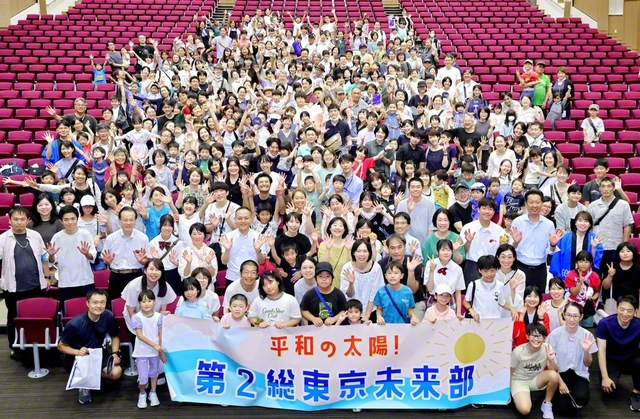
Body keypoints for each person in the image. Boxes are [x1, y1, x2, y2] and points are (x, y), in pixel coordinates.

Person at [0, 207, 50, 357]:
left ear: (28, 220)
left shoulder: (35, 236)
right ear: (9, 221)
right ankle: (15, 347)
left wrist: (47, 277)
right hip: (13, 288)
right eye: (15, 219)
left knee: (36, 317)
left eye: (22, 219)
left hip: (36, 285)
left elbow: (44, 257)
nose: (19, 222)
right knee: (13, 318)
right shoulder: (3, 238)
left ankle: (37, 346)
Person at [57, 289, 122, 404]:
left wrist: (115, 353)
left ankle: (91, 376)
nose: (99, 306)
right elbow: (61, 346)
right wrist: (77, 352)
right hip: (78, 357)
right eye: (95, 302)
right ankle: (84, 384)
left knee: (116, 372)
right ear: (87, 303)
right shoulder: (74, 324)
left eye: (102, 302)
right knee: (85, 367)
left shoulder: (108, 316)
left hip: (97, 353)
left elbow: (115, 336)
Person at [547, 302, 597, 416]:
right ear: (563, 315)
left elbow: (588, 364)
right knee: (562, 408)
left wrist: (586, 351)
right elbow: (550, 364)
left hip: (579, 374)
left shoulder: (587, 335)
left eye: (575, 316)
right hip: (559, 374)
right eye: (569, 315)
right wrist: (560, 383)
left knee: (582, 399)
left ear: (581, 317)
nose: (572, 319)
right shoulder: (555, 334)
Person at [595, 295, 640, 411]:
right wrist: (605, 377)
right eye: (622, 309)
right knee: (609, 392)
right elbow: (601, 351)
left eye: (629, 310)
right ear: (616, 308)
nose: (625, 313)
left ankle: (636, 392)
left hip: (630, 359)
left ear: (635, 311)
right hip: (612, 359)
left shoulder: (638, 325)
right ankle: (609, 376)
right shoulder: (605, 323)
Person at [46, 206, 97, 304]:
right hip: (65, 282)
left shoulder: (85, 234)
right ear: (61, 221)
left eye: (73, 219)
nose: (70, 222)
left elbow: (93, 257)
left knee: (87, 309)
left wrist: (87, 254)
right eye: (66, 219)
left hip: (85, 280)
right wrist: (51, 255)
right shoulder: (57, 237)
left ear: (77, 219)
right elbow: (51, 261)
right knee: (67, 310)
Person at [511, 190, 559, 291]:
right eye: (531, 202)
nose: (534, 205)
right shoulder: (517, 222)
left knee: (538, 297)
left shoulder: (549, 224)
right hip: (520, 267)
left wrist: (553, 245)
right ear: (526, 204)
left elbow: (550, 251)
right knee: (518, 297)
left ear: (541, 204)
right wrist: (516, 242)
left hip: (540, 269)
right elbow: (510, 249)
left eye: (537, 202)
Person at [510, 323, 559, 419]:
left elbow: (555, 371)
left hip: (536, 379)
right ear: (527, 336)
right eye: (533, 335)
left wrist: (551, 360)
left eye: (539, 336)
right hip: (519, 381)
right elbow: (511, 371)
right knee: (525, 410)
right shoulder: (518, 351)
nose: (536, 339)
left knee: (553, 375)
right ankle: (517, 397)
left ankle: (547, 404)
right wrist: (507, 392)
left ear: (544, 338)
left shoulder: (547, 348)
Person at [101, 207, 150, 299]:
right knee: (115, 302)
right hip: (116, 276)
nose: (128, 223)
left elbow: (146, 260)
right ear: (119, 221)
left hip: (135, 275)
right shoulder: (111, 238)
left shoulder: (143, 238)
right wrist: (107, 261)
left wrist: (142, 261)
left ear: (136, 220)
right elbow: (105, 260)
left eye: (131, 220)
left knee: (137, 303)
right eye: (125, 220)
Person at [588, 177, 634, 270]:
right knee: (596, 273)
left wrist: (623, 245)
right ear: (599, 188)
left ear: (613, 188)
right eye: (603, 186)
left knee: (614, 274)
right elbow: (589, 226)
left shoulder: (623, 205)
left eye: (609, 186)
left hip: (616, 246)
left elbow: (627, 225)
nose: (606, 189)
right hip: (598, 246)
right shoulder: (592, 206)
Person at [131, 289, 165, 409]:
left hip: (154, 352)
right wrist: (154, 345)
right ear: (139, 303)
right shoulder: (136, 317)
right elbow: (140, 336)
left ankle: (153, 393)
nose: (147, 304)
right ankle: (142, 394)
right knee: (143, 376)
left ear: (154, 302)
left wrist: (160, 350)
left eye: (149, 301)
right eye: (143, 301)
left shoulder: (159, 317)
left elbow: (160, 334)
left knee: (154, 373)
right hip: (141, 352)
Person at [460, 198, 505, 284]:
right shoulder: (468, 228)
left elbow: (502, 253)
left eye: (490, 209)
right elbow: (463, 252)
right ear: (478, 210)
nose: (487, 212)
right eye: (484, 208)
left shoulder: (499, 231)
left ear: (494, 212)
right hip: (472, 266)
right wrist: (468, 242)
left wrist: (502, 246)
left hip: (492, 267)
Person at [463, 255, 518, 322]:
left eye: (492, 270)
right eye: (485, 271)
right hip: (478, 321)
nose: (489, 274)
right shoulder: (473, 285)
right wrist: (471, 310)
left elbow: (502, 302)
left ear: (497, 269)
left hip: (495, 321)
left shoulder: (500, 285)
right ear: (479, 270)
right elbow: (465, 301)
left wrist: (512, 308)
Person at [300, 261, 348, 326]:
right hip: (315, 329)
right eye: (320, 276)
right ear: (316, 278)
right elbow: (303, 310)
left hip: (334, 328)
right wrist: (313, 319)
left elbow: (343, 311)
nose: (324, 279)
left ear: (332, 278)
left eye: (327, 276)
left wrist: (334, 319)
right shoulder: (309, 294)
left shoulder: (339, 294)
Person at [395, 177, 435, 243]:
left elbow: (431, 225)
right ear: (409, 189)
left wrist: (428, 243)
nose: (415, 189)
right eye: (413, 187)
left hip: (425, 241)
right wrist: (408, 211)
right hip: (406, 242)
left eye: (418, 187)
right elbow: (398, 224)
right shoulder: (402, 204)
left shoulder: (430, 203)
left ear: (422, 188)